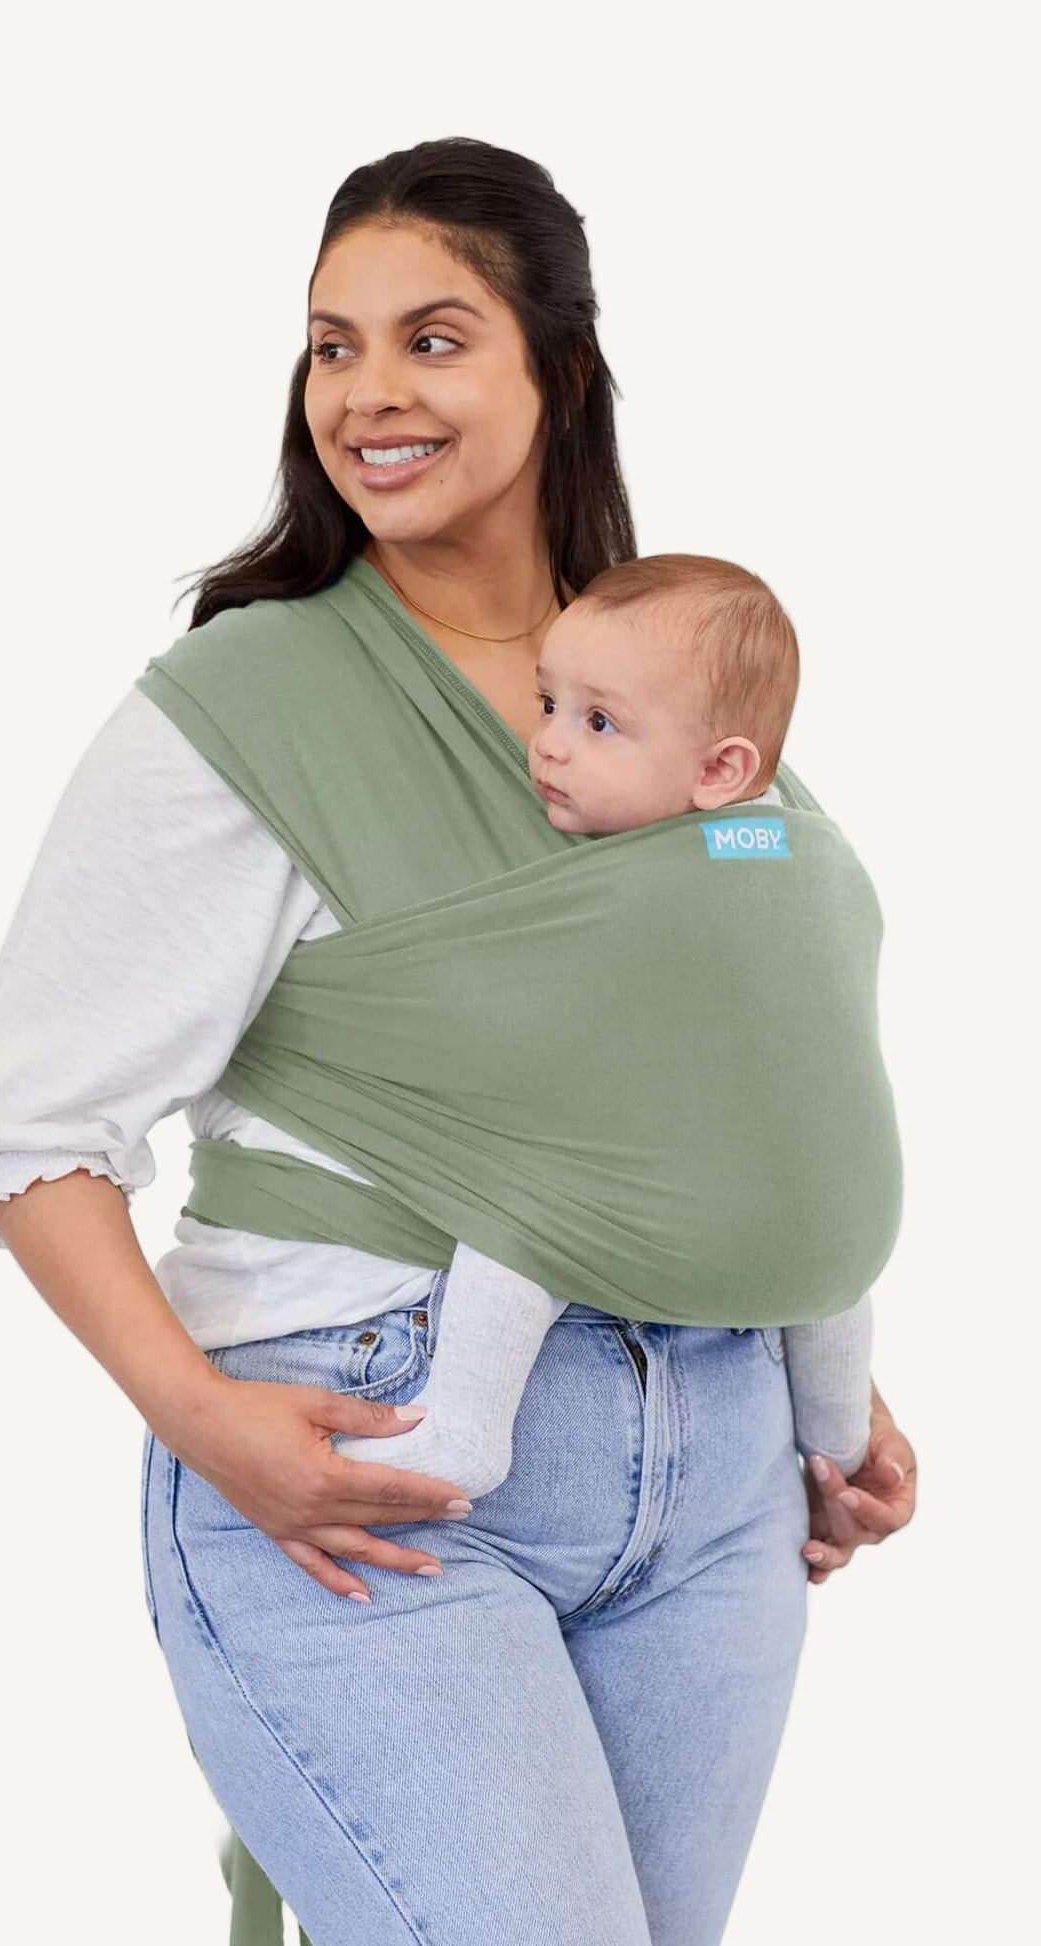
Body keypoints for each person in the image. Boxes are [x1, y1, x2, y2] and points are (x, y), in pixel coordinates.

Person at [0, 137, 917, 1946]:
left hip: (714, 1478)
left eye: (433, 339)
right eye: (333, 345)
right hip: (377, 1459)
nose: (367, 392)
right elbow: (29, 1131)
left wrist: (823, 1385)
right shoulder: (251, 704)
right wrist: (206, 1424)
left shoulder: (679, 689)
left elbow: (724, 1070)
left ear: (561, 372)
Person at [330, 547, 878, 1502]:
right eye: (548, 704)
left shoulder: (637, 894)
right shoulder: (799, 852)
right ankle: (840, 1447)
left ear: (720, 769)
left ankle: (461, 1434)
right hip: (831, 1242)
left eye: (599, 723)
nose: (547, 743)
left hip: (659, 1217)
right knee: (828, 1262)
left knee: (516, 1225)